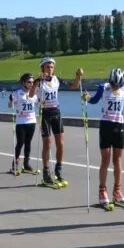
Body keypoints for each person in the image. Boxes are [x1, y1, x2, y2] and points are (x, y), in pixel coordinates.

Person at [85, 68, 124, 209]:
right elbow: (94, 100)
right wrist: (86, 98)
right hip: (105, 125)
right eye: (113, 84)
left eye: (118, 85)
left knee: (117, 160)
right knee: (105, 159)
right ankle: (102, 191)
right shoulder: (103, 87)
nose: (115, 87)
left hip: (119, 126)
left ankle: (117, 191)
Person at [29, 57, 83, 187]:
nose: (50, 69)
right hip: (45, 113)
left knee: (61, 143)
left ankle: (58, 170)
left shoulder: (56, 79)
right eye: (48, 67)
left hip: (56, 112)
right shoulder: (39, 81)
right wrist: (36, 81)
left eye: (52, 67)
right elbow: (31, 95)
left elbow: (74, 86)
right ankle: (46, 172)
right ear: (42, 68)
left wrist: (78, 76)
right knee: (47, 143)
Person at [8, 73, 39, 174]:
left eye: (32, 82)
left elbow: (38, 104)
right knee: (20, 142)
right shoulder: (17, 93)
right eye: (29, 82)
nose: (31, 84)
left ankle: (26, 165)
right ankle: (15, 164)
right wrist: (11, 101)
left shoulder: (34, 93)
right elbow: (9, 105)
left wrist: (42, 104)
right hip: (21, 122)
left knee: (28, 143)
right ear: (23, 83)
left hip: (32, 121)